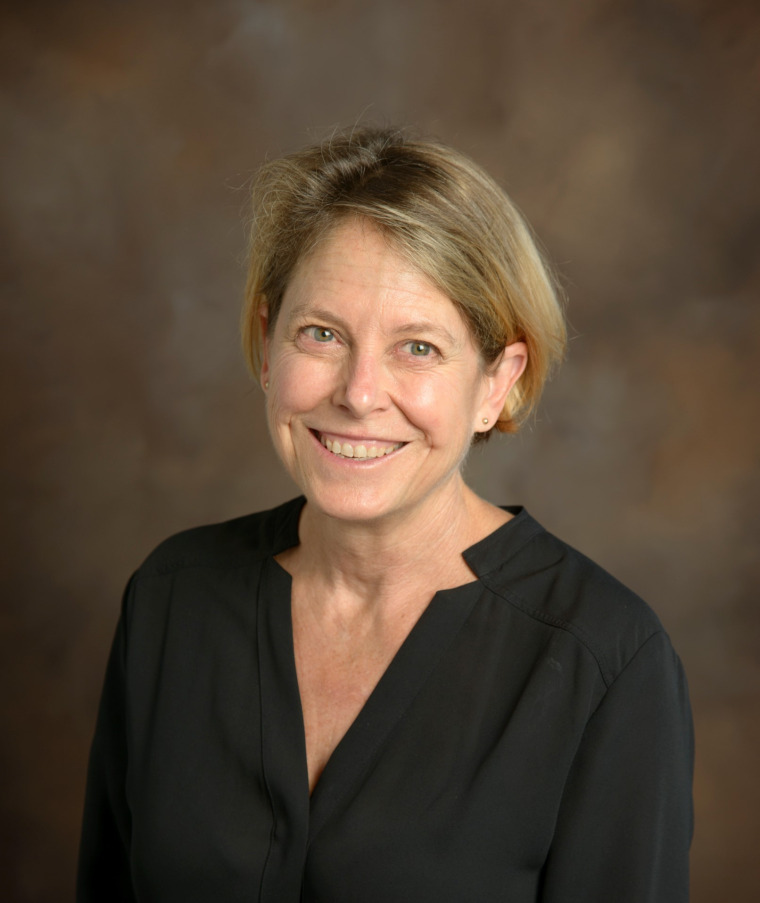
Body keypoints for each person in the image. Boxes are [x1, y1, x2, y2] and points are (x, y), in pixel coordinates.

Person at [77, 126, 693, 902]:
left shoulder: (605, 661)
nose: (359, 393)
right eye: (323, 334)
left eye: (419, 348)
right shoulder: (173, 597)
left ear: (497, 382)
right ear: (268, 347)